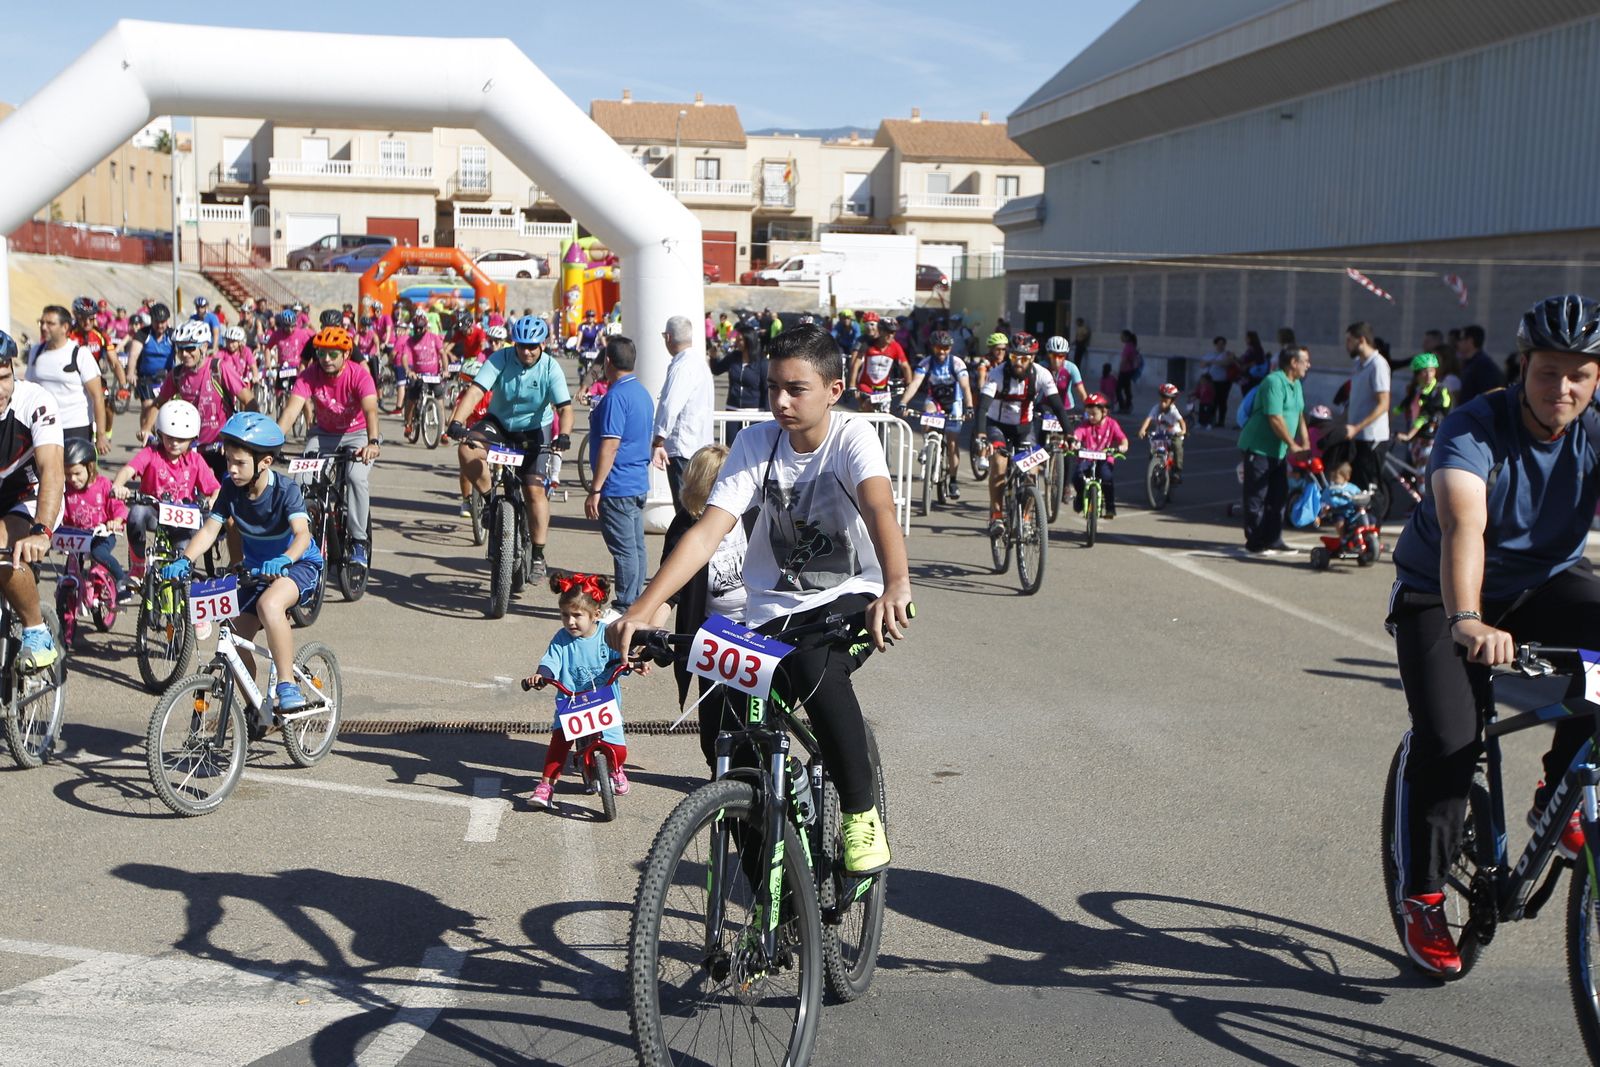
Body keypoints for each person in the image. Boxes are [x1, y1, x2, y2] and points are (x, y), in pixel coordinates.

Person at [609, 324, 912, 875]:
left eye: (796, 389)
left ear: (833, 391)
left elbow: (879, 510)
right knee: (727, 734)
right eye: (773, 387)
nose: (780, 401)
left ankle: (860, 811)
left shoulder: (852, 438)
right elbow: (704, 534)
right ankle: (773, 893)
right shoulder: (754, 443)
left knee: (814, 666)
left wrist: (896, 583)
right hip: (769, 611)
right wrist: (642, 608)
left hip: (851, 597)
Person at [1386, 294, 1600, 977]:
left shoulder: (1595, 429)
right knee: (1453, 738)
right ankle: (1421, 891)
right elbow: (1461, 527)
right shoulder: (1475, 426)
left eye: (1580, 374)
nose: (1561, 388)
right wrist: (1468, 619)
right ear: (1522, 365)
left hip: (1542, 584)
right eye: (1547, 371)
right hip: (1441, 592)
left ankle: (1562, 786)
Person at [160, 412, 322, 712]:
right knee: (232, 637)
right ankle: (256, 708)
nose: (232, 469)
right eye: (229, 461)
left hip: (298, 565)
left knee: (270, 605)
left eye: (240, 463)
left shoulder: (286, 491)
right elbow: (211, 529)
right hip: (258, 570)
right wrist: (185, 559)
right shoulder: (231, 489)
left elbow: (302, 535)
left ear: (265, 462)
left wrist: (284, 559)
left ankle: (287, 685)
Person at [447, 315, 572, 580]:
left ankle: (538, 554)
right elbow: (477, 391)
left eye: (533, 346)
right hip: (500, 424)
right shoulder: (500, 359)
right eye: (522, 345)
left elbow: (565, 408)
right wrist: (457, 421)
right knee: (467, 449)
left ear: (543, 345)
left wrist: (565, 435)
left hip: (534, 430)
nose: (527, 351)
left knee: (534, 491)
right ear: (514, 344)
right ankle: (491, 502)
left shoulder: (551, 368)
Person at [276, 325, 381, 569]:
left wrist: (373, 442)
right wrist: (274, 441)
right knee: (301, 480)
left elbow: (371, 410)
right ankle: (303, 534)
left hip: (358, 434)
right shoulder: (309, 374)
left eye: (333, 354)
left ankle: (358, 541)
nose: (326, 359)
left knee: (356, 478)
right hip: (323, 434)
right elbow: (292, 410)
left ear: (346, 355)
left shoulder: (359, 374)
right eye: (321, 353)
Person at [528, 572, 629, 810]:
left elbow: (623, 657)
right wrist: (542, 675)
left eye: (577, 615)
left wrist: (634, 662)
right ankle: (546, 786)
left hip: (603, 702)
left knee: (618, 749)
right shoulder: (561, 639)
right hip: (571, 703)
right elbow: (550, 662)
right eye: (565, 615)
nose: (570, 621)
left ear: (596, 615)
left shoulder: (607, 635)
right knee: (559, 742)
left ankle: (616, 769)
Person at [0, 332, 65, 671]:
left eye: (4, 378)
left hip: (32, 495)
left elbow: (52, 470)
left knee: (2, 545)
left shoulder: (35, 402)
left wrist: (41, 530)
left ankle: (36, 630)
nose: (0, 390)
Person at [112, 400, 221, 580]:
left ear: (192, 439)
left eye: (181, 439)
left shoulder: (196, 461)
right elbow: (128, 470)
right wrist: (118, 485)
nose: (175, 443)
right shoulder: (151, 453)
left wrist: (212, 499)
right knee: (136, 514)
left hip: (182, 519)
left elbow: (215, 489)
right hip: (153, 513)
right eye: (169, 437)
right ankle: (138, 565)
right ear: (160, 434)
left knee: (183, 562)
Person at [977, 332, 1073, 535]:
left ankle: (1027, 517)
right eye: (1014, 357)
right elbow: (983, 407)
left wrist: (1069, 434)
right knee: (999, 464)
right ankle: (996, 516)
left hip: (1024, 428)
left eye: (1024, 358)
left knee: (1032, 472)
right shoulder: (997, 374)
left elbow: (1058, 407)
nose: (1018, 363)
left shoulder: (1042, 374)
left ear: (1032, 358)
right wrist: (981, 434)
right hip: (997, 426)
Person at [586, 337, 653, 615]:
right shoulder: (641, 392)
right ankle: (635, 601)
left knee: (625, 551)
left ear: (608, 362)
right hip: (636, 480)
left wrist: (596, 488)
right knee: (636, 548)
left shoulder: (616, 396)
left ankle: (626, 604)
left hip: (617, 485)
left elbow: (610, 445)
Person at [144, 321, 253, 483]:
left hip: (221, 447)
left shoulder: (219, 369)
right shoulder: (177, 374)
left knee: (226, 493)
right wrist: (146, 429)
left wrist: (240, 436)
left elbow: (249, 400)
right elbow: (158, 403)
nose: (184, 354)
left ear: (203, 347)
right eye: (180, 349)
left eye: (190, 348)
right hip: (190, 448)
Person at [1237, 346, 1312, 555]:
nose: (1309, 365)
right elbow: (1274, 418)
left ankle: (1273, 538)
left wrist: (1305, 443)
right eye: (1305, 361)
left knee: (1278, 496)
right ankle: (1255, 541)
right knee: (1256, 496)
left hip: (1277, 451)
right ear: (1293, 363)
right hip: (1258, 447)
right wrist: (1293, 445)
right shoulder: (1273, 382)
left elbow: (1299, 415)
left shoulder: (1296, 384)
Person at [27, 304, 112, 457]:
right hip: (45, 428)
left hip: (76, 427)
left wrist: (101, 435)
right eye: (42, 322)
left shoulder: (80, 354)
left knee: (76, 477)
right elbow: (29, 391)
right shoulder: (35, 352)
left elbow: (97, 397)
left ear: (65, 327)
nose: (44, 327)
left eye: (50, 323)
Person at [901, 329, 975, 500]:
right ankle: (928, 445)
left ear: (950, 348)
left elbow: (965, 387)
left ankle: (953, 481)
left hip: (954, 403)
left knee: (952, 444)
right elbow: (915, 384)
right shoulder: (926, 363)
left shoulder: (957, 363)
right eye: (938, 348)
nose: (942, 352)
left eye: (946, 348)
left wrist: (969, 406)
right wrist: (903, 402)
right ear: (932, 347)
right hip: (935, 400)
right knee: (927, 412)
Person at [651, 315, 713, 509]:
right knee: (697, 505)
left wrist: (658, 438)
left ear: (668, 337)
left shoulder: (681, 367)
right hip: (701, 444)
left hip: (682, 447)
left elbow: (669, 405)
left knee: (685, 508)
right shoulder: (700, 363)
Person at [60, 436, 132, 600]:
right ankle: (67, 601)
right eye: (68, 474)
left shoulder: (103, 485)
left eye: (77, 473)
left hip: (102, 535)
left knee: (98, 553)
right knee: (72, 565)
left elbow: (118, 507)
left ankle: (122, 580)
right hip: (78, 537)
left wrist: (116, 521)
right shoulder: (66, 490)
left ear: (90, 467)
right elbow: (60, 513)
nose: (72, 479)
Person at [69, 296, 126, 441]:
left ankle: (106, 433)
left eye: (91, 318)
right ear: (76, 316)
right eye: (83, 318)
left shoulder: (101, 335)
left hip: (95, 379)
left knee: (107, 407)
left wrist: (123, 385)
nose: (87, 322)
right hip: (73, 380)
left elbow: (114, 362)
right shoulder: (68, 335)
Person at [1343, 322, 1392, 491]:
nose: (1346, 345)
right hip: (1357, 438)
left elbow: (1383, 404)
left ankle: (1373, 518)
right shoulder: (1358, 364)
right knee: (1355, 487)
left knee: (1369, 489)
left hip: (1372, 438)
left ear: (1361, 340)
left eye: (1349, 340)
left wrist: (1357, 427)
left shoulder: (1378, 365)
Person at [1071, 394, 1130, 517]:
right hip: (1087, 458)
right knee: (1077, 476)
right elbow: (1078, 434)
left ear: (1104, 412)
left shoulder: (1112, 424)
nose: (1090, 417)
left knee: (1106, 478)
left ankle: (1110, 507)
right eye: (1088, 414)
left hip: (1104, 459)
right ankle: (1080, 497)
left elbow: (1122, 438)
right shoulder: (1085, 424)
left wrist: (1123, 446)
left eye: (1094, 414)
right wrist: (1074, 442)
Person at [1393, 352, 1453, 466]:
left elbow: (1425, 414)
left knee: (1423, 477)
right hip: (1418, 439)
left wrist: (1409, 435)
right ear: (1417, 374)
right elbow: (1403, 405)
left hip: (1432, 439)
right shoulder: (1417, 390)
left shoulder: (1439, 391)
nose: (1429, 375)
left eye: (1431, 370)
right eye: (1424, 371)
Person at [709, 324, 767, 435]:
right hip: (732, 410)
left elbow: (766, 389)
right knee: (732, 446)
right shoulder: (733, 357)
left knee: (753, 449)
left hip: (754, 413)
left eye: (740, 340)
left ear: (749, 341)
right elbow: (717, 370)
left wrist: (768, 414)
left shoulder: (762, 363)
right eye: (736, 339)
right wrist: (713, 357)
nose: (736, 342)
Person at [395, 316, 446, 441]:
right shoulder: (410, 341)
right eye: (416, 328)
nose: (418, 331)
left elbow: (443, 353)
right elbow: (405, 357)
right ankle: (408, 424)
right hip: (418, 375)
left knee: (440, 401)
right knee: (411, 399)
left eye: (420, 328)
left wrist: (445, 370)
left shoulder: (434, 338)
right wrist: (408, 370)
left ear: (426, 328)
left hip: (433, 375)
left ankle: (443, 431)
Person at [1138, 383, 1187, 483]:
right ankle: (1154, 467)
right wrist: (1142, 430)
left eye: (1166, 400)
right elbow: (1148, 419)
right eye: (1161, 399)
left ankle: (1177, 471)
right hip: (1160, 434)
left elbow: (1182, 422)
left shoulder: (1173, 411)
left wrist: (1183, 431)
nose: (1162, 403)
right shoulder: (1156, 408)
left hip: (1173, 434)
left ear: (1172, 401)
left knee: (1177, 446)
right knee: (1153, 448)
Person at [1454, 324, 1502, 404]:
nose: (1458, 343)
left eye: (1460, 339)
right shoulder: (1471, 364)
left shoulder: (1483, 366)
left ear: (1470, 341)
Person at [1202, 336, 1238, 428]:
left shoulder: (1227, 354)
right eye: (1219, 344)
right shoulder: (1210, 354)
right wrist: (1214, 362)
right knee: (1212, 401)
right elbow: (1202, 364)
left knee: (1222, 401)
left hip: (1223, 382)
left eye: (1223, 344)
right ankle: (1212, 419)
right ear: (1215, 344)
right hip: (1212, 381)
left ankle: (1221, 421)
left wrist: (1213, 362)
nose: (1221, 346)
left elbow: (1227, 363)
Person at [1115, 330, 1141, 413]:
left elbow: (1124, 360)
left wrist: (1119, 370)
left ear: (1126, 337)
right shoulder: (1132, 346)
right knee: (1127, 389)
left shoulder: (1128, 347)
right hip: (1129, 371)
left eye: (1122, 336)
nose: (1121, 338)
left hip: (1125, 371)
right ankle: (1128, 406)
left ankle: (1122, 407)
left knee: (1118, 389)